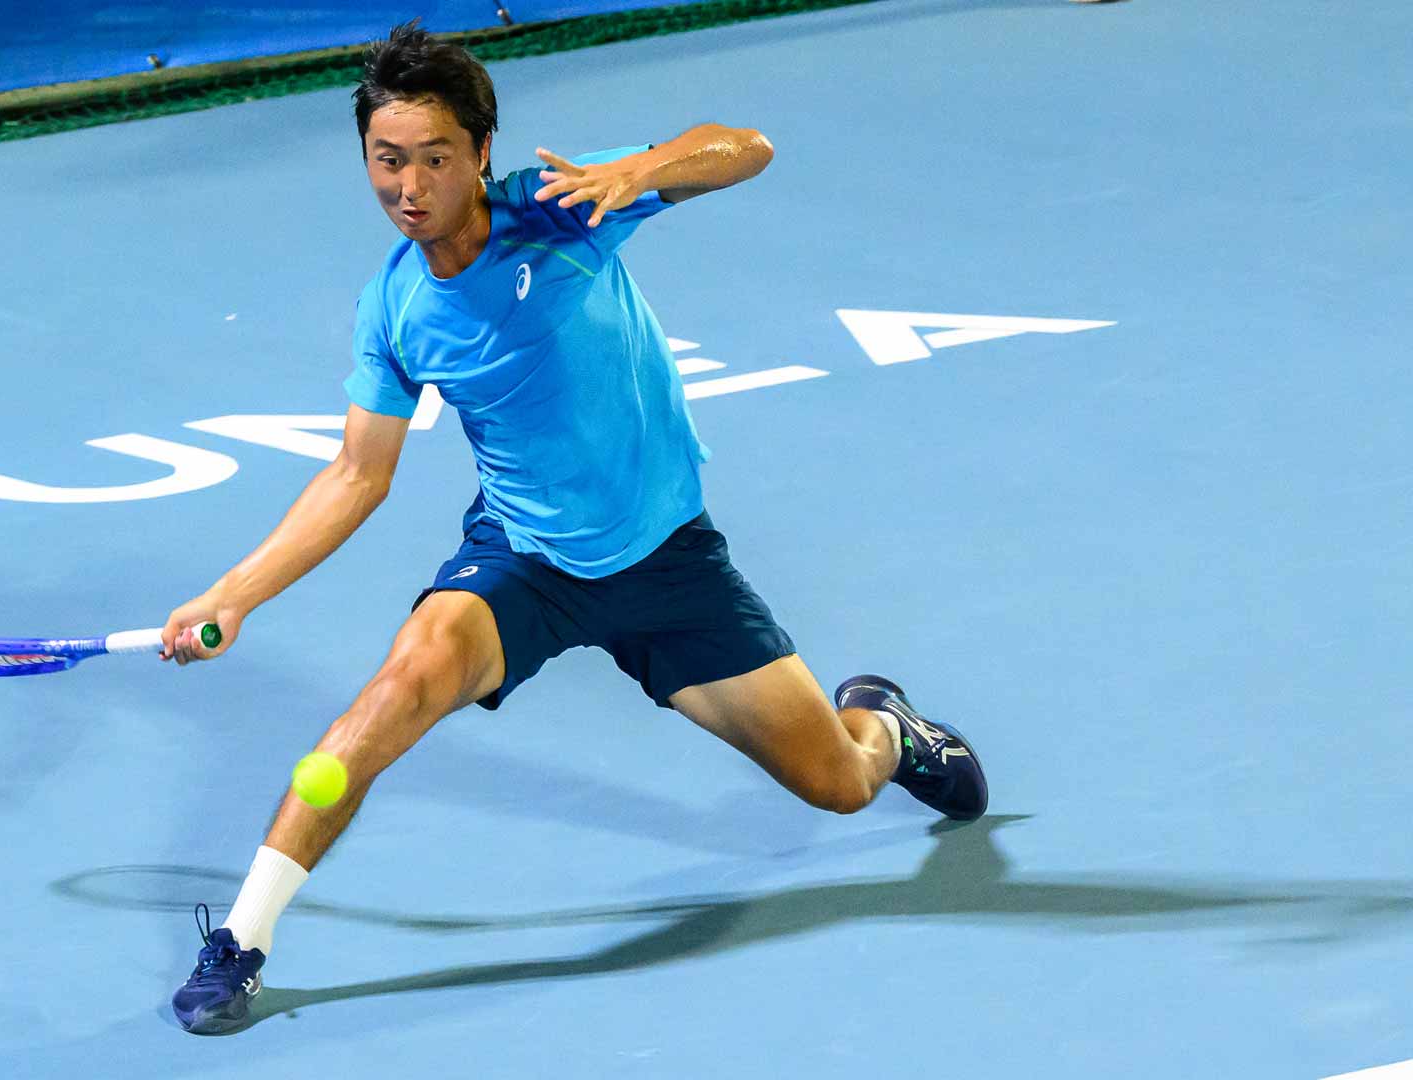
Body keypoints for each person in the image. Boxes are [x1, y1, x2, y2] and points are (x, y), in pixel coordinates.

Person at [158, 21, 988, 1036]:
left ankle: (890, 727)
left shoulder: (564, 211)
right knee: (390, 696)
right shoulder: (394, 308)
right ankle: (243, 939)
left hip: (669, 563)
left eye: (434, 158)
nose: (409, 186)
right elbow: (354, 475)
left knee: (840, 784)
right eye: (387, 160)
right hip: (524, 565)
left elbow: (748, 146)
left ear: (480, 154)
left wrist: (638, 171)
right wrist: (231, 596)